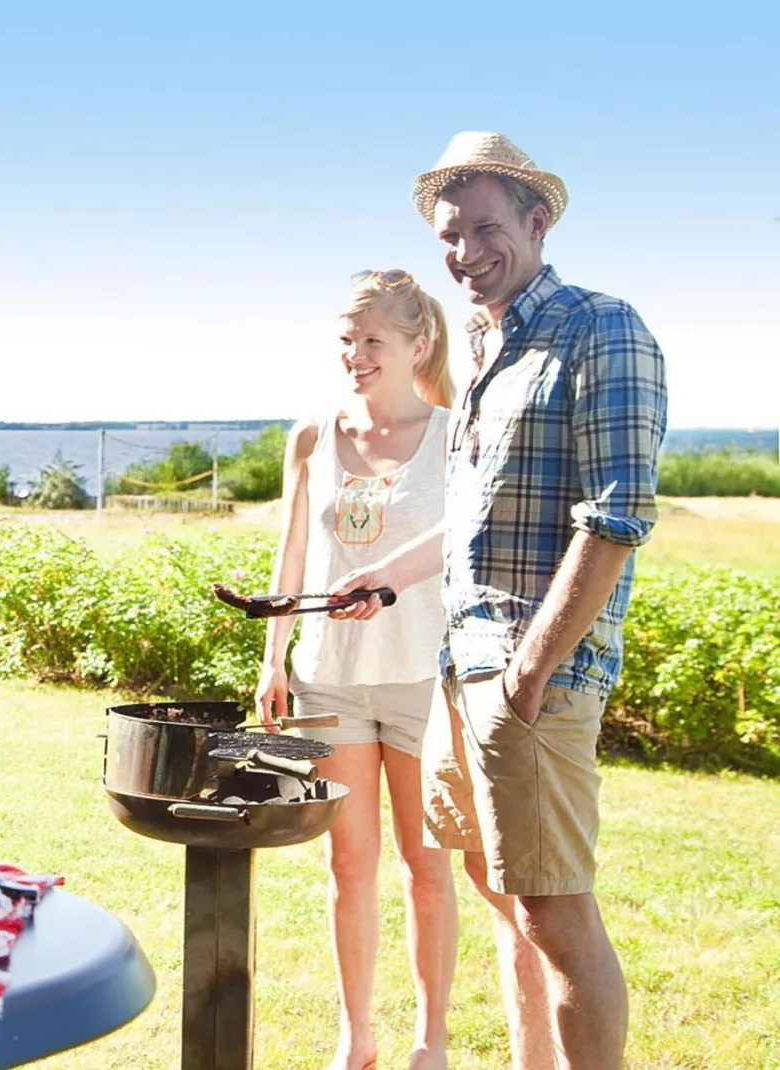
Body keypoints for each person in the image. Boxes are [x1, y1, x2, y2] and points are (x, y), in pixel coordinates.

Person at [333, 133, 667, 1070]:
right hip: (461, 665)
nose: (465, 252)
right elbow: (477, 521)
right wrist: (391, 575)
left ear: (537, 221)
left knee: (557, 915)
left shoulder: (603, 327)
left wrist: (527, 676)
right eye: (450, 235)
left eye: (485, 229)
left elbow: (615, 519)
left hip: (530, 676)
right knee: (508, 896)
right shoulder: (486, 350)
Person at [255, 270, 457, 1070]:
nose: (355, 355)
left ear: (419, 343)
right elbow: (292, 550)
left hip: (422, 677)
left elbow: (460, 542)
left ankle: (430, 1041)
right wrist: (274, 660)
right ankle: (358, 1038)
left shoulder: (455, 432)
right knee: (349, 862)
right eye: (346, 340)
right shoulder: (313, 435)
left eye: (372, 340)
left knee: (427, 865)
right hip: (330, 675)